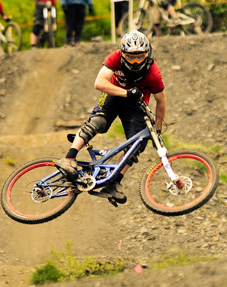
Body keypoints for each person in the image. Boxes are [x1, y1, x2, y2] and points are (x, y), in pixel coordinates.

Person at [55, 31, 166, 204]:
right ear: (122, 54)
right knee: (98, 122)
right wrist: (127, 93)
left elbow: (161, 101)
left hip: (136, 105)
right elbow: (99, 83)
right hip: (114, 94)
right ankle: (69, 158)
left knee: (137, 144)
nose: (135, 61)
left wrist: (158, 131)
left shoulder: (153, 72)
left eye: (140, 57)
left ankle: (114, 183)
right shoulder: (115, 57)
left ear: (147, 54)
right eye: (130, 57)